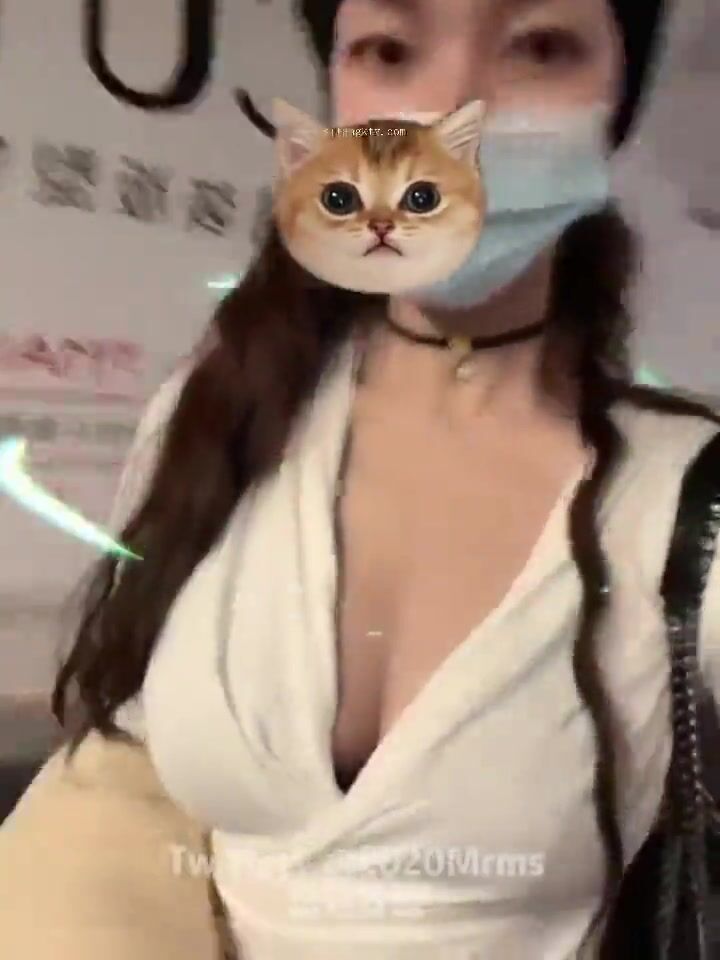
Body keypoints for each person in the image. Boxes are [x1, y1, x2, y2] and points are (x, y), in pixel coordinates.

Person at [0, 0, 718, 958]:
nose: (452, 106)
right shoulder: (215, 416)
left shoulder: (687, 501)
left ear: (618, 102)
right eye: (389, 49)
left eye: (541, 47)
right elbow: (131, 768)